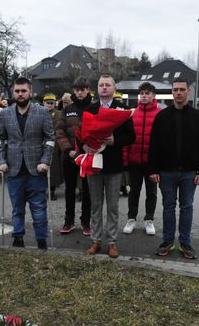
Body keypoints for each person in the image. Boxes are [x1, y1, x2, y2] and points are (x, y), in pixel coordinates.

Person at [149, 78, 199, 259]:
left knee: (187, 207)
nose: (178, 93)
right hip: (166, 172)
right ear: (172, 92)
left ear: (188, 92)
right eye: (175, 90)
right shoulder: (162, 117)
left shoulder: (197, 117)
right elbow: (154, 146)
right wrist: (153, 169)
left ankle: (185, 242)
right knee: (168, 207)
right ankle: (168, 241)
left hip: (189, 173)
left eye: (182, 89)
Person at [0, 77, 54, 250]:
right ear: (13, 93)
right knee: (17, 209)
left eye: (23, 91)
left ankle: (41, 240)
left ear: (31, 92)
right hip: (13, 170)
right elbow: (0, 138)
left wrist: (45, 161)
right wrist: (1, 160)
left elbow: (50, 139)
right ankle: (18, 238)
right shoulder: (6, 113)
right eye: (17, 91)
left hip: (36, 170)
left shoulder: (42, 112)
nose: (20, 94)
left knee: (38, 209)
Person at [84, 75, 135, 258]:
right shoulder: (90, 108)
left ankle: (112, 242)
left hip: (114, 165)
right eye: (101, 85)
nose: (104, 88)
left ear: (114, 88)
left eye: (107, 85)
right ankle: (96, 241)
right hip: (94, 164)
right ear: (97, 89)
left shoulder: (123, 110)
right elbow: (81, 135)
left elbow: (131, 137)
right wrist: (85, 145)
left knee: (113, 207)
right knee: (95, 206)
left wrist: (115, 141)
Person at [55, 76, 94, 236]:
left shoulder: (94, 108)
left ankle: (86, 222)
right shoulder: (67, 109)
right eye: (77, 90)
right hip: (70, 157)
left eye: (82, 89)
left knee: (87, 191)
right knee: (69, 190)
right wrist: (69, 150)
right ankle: (68, 221)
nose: (79, 93)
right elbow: (60, 132)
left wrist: (92, 148)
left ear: (88, 90)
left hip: (88, 157)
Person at [122, 82, 161, 236]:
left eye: (147, 93)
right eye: (142, 93)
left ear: (153, 96)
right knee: (134, 192)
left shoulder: (159, 114)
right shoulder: (132, 114)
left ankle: (149, 220)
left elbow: (162, 142)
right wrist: (125, 160)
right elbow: (126, 139)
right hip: (135, 162)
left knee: (152, 193)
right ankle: (131, 219)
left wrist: (159, 163)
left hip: (152, 163)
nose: (144, 95)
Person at [43, 93, 63, 200]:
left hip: (55, 144)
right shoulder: (39, 113)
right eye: (48, 103)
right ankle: (42, 189)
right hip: (42, 144)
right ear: (43, 103)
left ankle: (52, 190)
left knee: (54, 168)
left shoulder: (59, 114)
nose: (50, 105)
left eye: (52, 103)